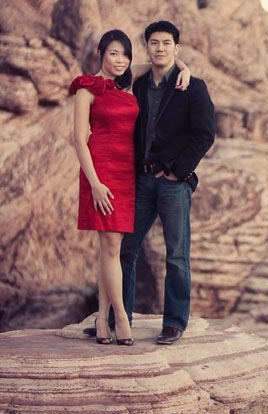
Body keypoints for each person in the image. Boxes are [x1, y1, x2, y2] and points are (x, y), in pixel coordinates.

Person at [71, 29, 190, 346]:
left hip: (128, 173)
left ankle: (100, 317)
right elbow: (79, 140)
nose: (120, 60)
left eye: (125, 54)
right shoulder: (86, 91)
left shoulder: (128, 80)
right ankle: (120, 318)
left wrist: (185, 68)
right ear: (100, 54)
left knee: (109, 249)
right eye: (113, 53)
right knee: (112, 247)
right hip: (102, 172)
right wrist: (95, 184)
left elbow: (160, 64)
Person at [119, 20, 215, 345]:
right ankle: (120, 319)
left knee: (176, 254)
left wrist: (178, 171)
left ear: (176, 48)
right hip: (141, 180)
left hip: (173, 183)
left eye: (166, 43)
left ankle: (174, 322)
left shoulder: (193, 87)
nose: (160, 48)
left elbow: (205, 135)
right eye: (154, 43)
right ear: (147, 47)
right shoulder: (140, 85)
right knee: (125, 249)